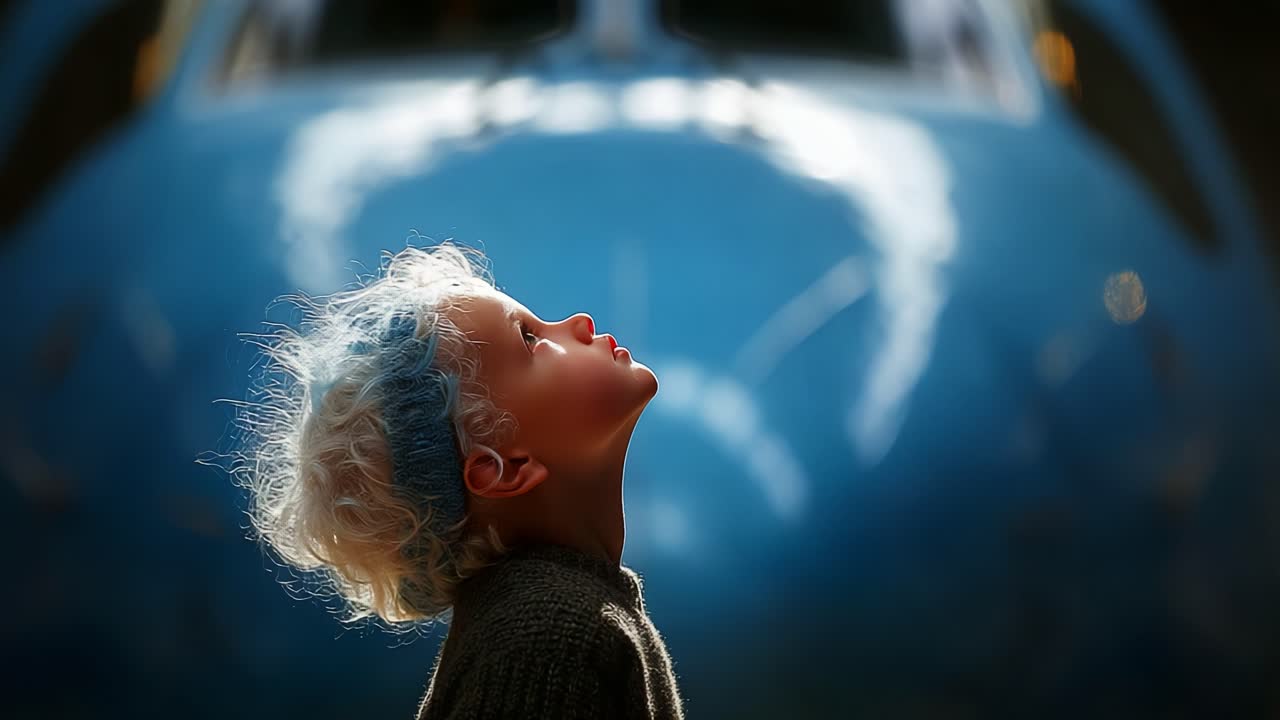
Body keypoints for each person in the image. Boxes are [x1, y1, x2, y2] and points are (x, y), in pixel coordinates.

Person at [233, 241, 684, 719]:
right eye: (529, 339)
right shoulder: (547, 639)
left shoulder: (551, 616)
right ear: (502, 468)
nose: (577, 322)